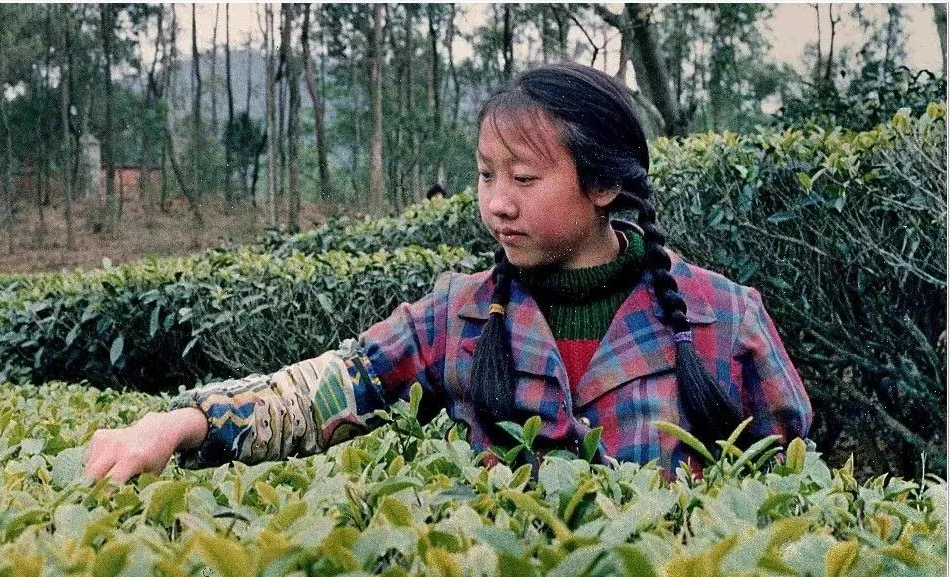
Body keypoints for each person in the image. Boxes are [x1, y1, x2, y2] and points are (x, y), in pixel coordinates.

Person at [83, 62, 812, 484]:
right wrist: (186, 421)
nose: (497, 203)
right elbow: (330, 388)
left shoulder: (724, 320)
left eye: (524, 177)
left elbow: (788, 496)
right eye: (486, 174)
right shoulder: (459, 316)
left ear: (603, 186)